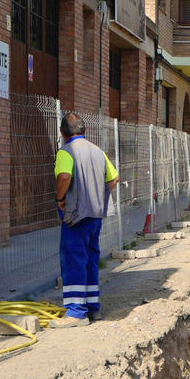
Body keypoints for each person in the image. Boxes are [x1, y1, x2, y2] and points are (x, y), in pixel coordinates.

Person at [51, 113, 119, 328]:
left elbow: (64, 177)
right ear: (84, 131)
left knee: (73, 260)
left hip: (75, 215)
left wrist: (61, 199)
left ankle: (76, 312)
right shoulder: (97, 151)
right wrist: (97, 194)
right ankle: (93, 307)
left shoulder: (66, 151)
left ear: (63, 133)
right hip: (95, 215)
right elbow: (114, 178)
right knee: (90, 259)